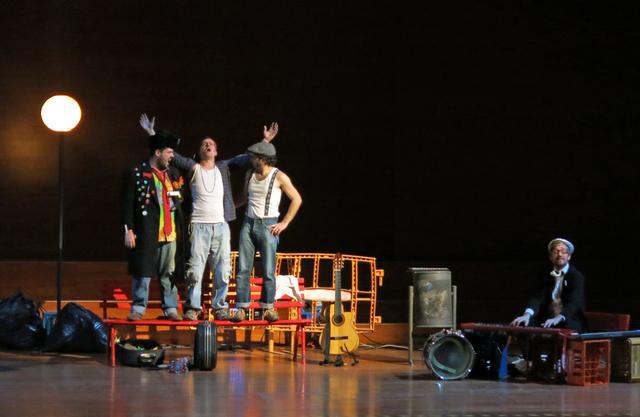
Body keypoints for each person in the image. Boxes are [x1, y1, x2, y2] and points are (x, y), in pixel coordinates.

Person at [139, 115, 279, 321]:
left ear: (216, 151)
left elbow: (247, 158)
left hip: (221, 226)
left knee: (223, 270)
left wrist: (265, 141)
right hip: (199, 226)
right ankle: (193, 308)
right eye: (204, 144)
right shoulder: (193, 167)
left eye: (211, 144)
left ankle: (220, 307)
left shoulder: (223, 166)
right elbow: (171, 155)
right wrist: (152, 133)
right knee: (195, 270)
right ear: (200, 150)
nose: (208, 145)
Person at [231, 141, 303, 322]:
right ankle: (241, 308)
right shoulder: (250, 174)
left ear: (262, 159)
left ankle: (268, 307)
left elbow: (296, 199)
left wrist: (284, 222)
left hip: (268, 225)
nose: (251, 159)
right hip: (248, 223)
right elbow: (244, 197)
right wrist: (229, 209)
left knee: (268, 270)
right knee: (243, 268)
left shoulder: (279, 176)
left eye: (253, 157)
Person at [121, 129, 186, 321]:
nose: (172, 156)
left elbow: (181, 198)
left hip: (170, 233)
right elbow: (126, 203)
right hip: (147, 231)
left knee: (169, 273)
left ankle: (171, 308)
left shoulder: (173, 174)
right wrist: (128, 229)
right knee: (143, 271)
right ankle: (138, 307)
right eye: (169, 152)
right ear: (158, 152)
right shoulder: (137, 173)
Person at [511, 238, 587, 332]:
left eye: (564, 252)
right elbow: (537, 297)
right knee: (521, 324)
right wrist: (527, 315)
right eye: (556, 252)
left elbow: (574, 303)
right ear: (550, 257)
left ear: (569, 256)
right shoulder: (545, 274)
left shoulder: (576, 276)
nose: (559, 254)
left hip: (569, 319)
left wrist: (559, 318)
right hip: (547, 318)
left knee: (560, 326)